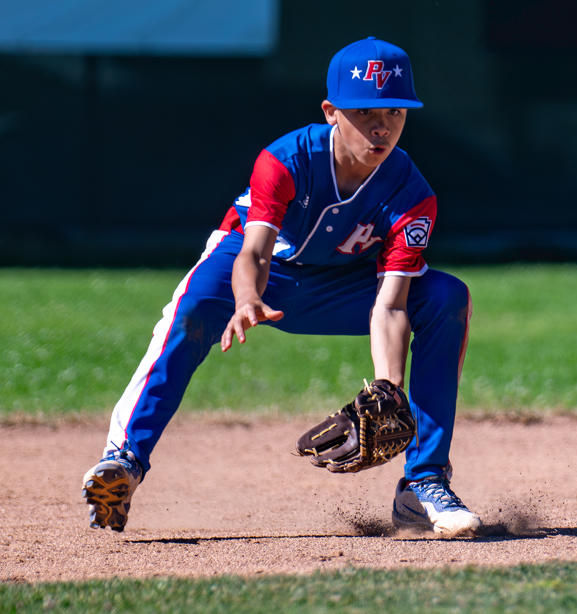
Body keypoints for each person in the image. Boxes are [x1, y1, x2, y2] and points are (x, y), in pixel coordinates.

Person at [82, 36, 481, 536]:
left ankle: (422, 485)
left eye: (396, 112)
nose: (381, 127)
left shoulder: (412, 193)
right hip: (257, 268)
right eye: (365, 112)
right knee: (190, 312)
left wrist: (387, 391)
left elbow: (391, 305)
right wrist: (247, 297)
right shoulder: (287, 159)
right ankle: (123, 463)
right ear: (332, 111)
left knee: (445, 297)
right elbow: (253, 252)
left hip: (343, 288)